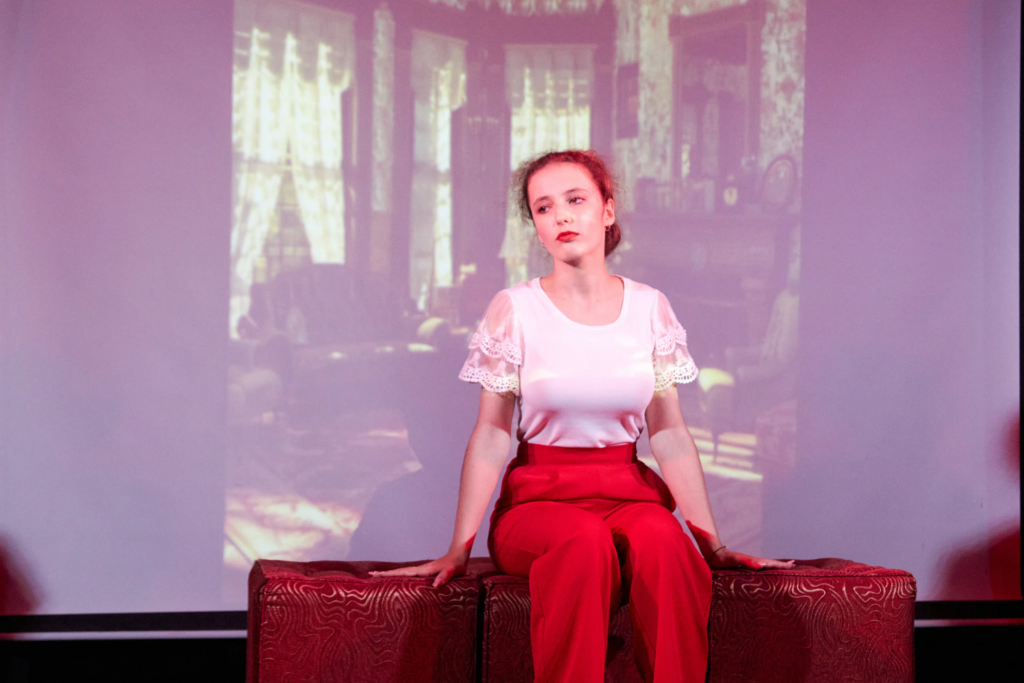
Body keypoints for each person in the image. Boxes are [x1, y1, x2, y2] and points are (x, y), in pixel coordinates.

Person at [371, 150, 793, 682]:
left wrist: (713, 543)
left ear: (607, 210)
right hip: (538, 502)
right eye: (544, 208)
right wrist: (458, 548)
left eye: (575, 200)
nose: (561, 216)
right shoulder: (514, 309)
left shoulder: (650, 308)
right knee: (584, 543)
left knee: (666, 543)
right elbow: (491, 436)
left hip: (628, 493)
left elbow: (669, 434)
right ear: (536, 226)